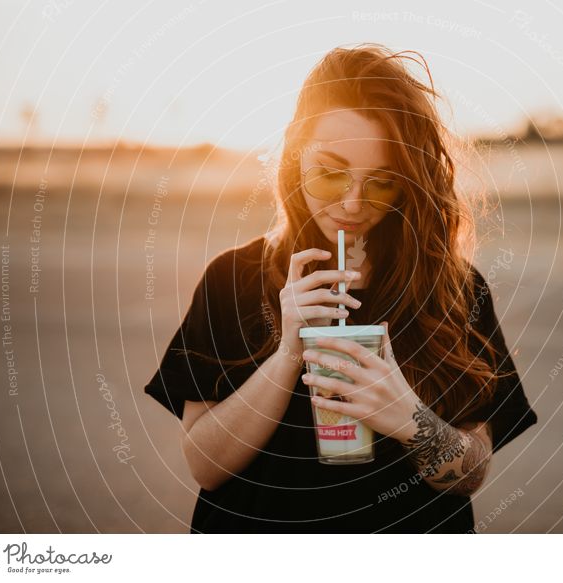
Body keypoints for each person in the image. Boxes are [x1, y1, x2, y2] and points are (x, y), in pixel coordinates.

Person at [144, 44, 537, 533]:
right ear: (295, 155)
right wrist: (289, 351)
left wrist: (406, 415)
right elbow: (205, 465)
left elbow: (471, 473)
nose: (353, 201)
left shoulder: (451, 287)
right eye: (330, 172)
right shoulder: (232, 279)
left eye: (381, 181)